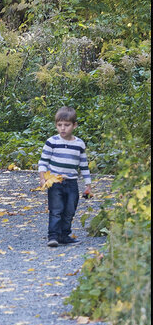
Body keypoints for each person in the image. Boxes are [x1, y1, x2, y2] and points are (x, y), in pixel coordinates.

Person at [38, 106, 92, 247]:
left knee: (69, 210)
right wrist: (42, 177)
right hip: (55, 181)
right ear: (56, 125)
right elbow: (43, 161)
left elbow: (84, 165)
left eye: (67, 125)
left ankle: (64, 235)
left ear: (74, 125)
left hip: (72, 182)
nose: (63, 128)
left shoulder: (79, 144)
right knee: (56, 210)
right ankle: (53, 236)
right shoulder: (52, 142)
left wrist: (88, 184)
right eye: (59, 125)